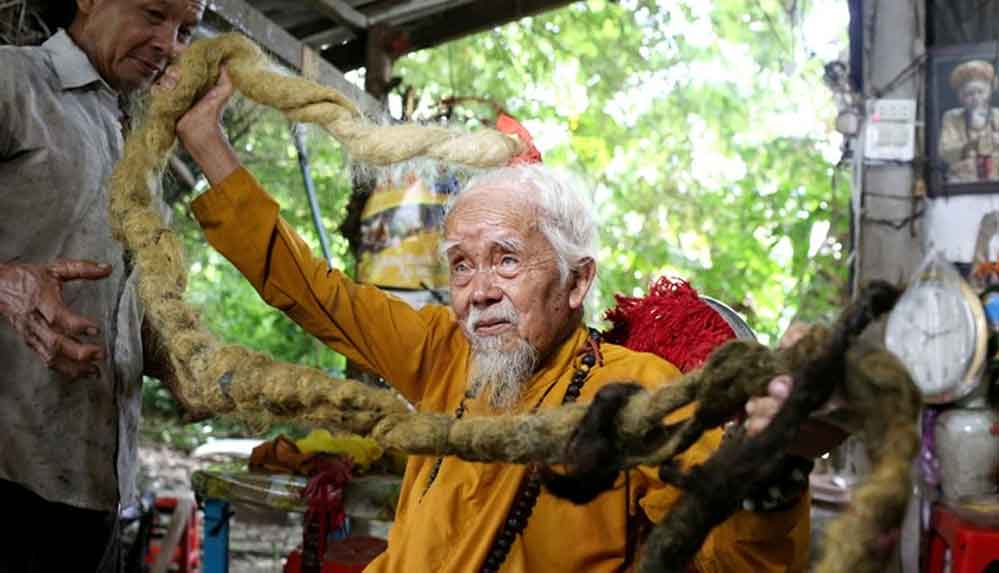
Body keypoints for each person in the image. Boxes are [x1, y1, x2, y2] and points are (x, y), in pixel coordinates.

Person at [161, 67, 826, 572]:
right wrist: (204, 140)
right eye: (460, 265)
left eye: (505, 261)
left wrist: (769, 476)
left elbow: (724, 557)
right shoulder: (445, 353)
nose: (477, 292)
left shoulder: (637, 393)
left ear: (578, 280)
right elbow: (312, 292)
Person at [0, 0, 205, 570]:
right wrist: (8, 285)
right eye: (153, 13)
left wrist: (177, 362)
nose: (169, 43)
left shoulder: (132, 137)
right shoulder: (14, 79)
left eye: (185, 29)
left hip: (96, 486)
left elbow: (123, 299)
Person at [939, 59, 999, 183]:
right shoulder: (951, 117)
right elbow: (945, 153)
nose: (976, 98)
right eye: (969, 94)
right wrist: (971, 144)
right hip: (963, 182)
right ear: (961, 97)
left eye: (980, 92)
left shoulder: (997, 115)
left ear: (989, 93)